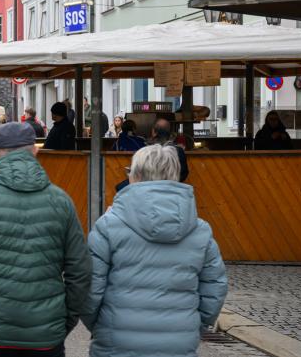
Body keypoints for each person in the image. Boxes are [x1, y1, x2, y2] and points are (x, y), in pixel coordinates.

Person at [0, 122, 90, 357]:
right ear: (35, 151)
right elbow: (80, 271)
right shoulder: (61, 201)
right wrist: (63, 323)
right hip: (45, 335)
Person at [84, 144, 227, 357]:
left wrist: (98, 326)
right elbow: (214, 288)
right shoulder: (200, 231)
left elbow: (90, 289)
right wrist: (195, 326)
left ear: (137, 175)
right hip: (179, 343)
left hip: (116, 342)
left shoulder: (108, 226)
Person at [151, 114, 189, 182]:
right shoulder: (179, 150)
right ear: (169, 131)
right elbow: (184, 173)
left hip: (152, 188)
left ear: (154, 132)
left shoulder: (147, 151)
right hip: (174, 188)